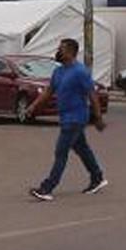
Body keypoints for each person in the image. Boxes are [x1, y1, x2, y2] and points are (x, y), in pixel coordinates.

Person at [27, 38, 106, 201]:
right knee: (82, 149)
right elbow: (49, 92)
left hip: (76, 118)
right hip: (65, 117)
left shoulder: (80, 72)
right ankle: (97, 177)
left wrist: (98, 117)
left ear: (71, 52)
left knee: (61, 152)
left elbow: (92, 94)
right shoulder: (58, 71)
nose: (58, 51)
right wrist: (33, 106)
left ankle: (47, 188)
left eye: (61, 49)